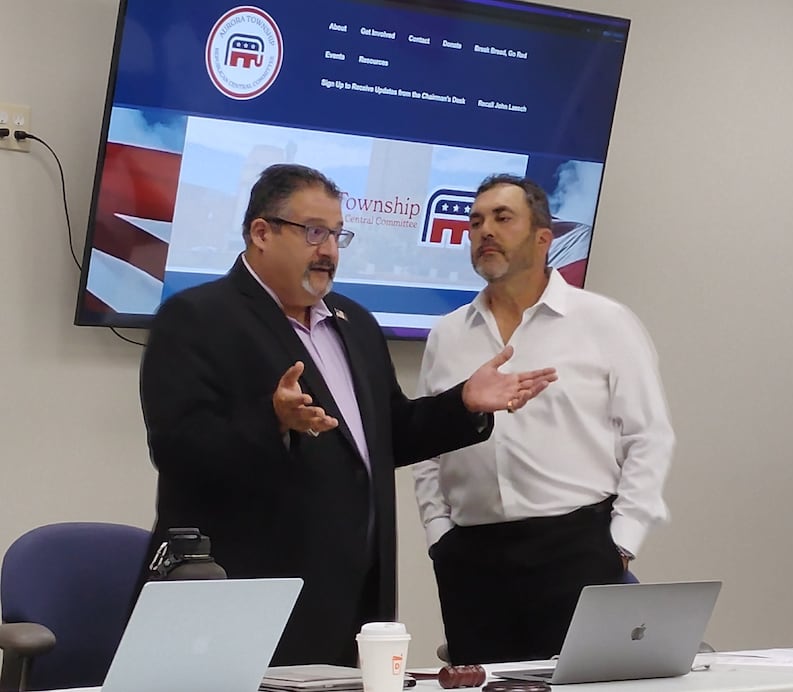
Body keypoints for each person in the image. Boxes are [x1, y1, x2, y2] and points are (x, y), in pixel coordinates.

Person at [137, 164, 557, 667]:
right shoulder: (197, 318)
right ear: (261, 233)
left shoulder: (353, 322)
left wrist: (462, 402)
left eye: (338, 234)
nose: (329, 250)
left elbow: (388, 436)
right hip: (249, 599)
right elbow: (178, 450)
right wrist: (273, 422)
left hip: (356, 598)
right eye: (314, 232)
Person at [413, 173, 675, 665]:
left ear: (542, 237)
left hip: (576, 549)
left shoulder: (604, 322)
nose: (484, 230)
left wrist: (622, 542)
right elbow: (429, 445)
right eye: (475, 221)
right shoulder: (447, 336)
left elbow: (649, 436)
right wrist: (438, 534)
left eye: (502, 218)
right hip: (471, 558)